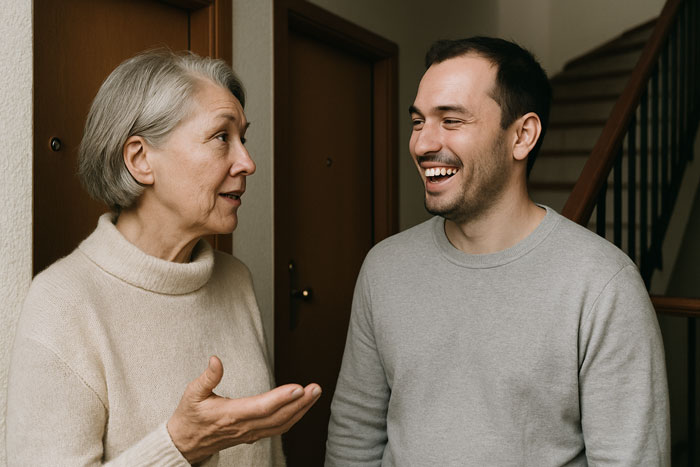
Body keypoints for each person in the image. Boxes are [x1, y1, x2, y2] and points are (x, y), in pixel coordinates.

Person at [325, 37, 670, 466]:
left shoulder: (602, 283)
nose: (422, 143)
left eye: (451, 120)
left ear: (522, 136)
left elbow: (629, 458)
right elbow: (354, 435)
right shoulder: (384, 267)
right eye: (418, 121)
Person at [6, 50, 321, 466]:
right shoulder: (63, 302)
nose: (247, 162)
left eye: (243, 138)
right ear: (140, 159)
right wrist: (181, 445)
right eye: (221, 137)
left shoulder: (235, 280)